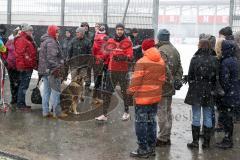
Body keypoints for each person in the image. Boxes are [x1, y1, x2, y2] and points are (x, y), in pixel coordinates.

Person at [128, 39, 165, 158]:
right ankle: (151, 147)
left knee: (141, 123)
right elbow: (162, 79)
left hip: (143, 98)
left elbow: (136, 81)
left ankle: (143, 149)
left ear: (144, 49)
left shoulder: (142, 62)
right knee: (151, 122)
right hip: (154, 97)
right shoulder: (161, 61)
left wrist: (130, 91)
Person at [95, 23, 133, 121]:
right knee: (107, 92)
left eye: (121, 29)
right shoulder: (111, 40)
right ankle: (104, 114)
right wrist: (99, 58)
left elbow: (130, 56)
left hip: (123, 71)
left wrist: (122, 57)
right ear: (115, 30)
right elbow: (105, 53)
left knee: (124, 93)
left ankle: (126, 112)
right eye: (118, 29)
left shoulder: (127, 42)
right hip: (111, 71)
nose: (119, 31)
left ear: (123, 30)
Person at [185, 39, 218, 149]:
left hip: (196, 90)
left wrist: (193, 85)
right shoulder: (214, 59)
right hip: (209, 90)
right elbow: (216, 77)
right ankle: (206, 143)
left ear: (200, 46)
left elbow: (190, 76)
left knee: (196, 116)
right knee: (208, 116)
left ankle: (195, 142)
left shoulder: (195, 59)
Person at [155, 29, 183, 146]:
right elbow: (179, 68)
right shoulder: (175, 50)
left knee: (162, 113)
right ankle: (167, 136)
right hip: (170, 88)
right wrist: (175, 80)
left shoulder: (160, 51)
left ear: (159, 38)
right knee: (167, 112)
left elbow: (159, 70)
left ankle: (162, 138)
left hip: (162, 87)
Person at [39, 25, 67, 118]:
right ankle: (56, 112)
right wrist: (58, 67)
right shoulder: (51, 42)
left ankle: (45, 111)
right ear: (52, 32)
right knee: (56, 92)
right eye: (56, 32)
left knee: (46, 92)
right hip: (52, 71)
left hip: (45, 71)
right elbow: (51, 59)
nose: (58, 34)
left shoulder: (45, 40)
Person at [216, 40, 240, 149]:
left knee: (227, 118)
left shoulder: (226, 62)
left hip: (229, 94)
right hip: (235, 92)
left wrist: (222, 92)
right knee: (229, 117)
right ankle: (228, 138)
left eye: (222, 48)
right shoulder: (235, 60)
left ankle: (227, 140)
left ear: (225, 49)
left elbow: (224, 80)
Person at [14, 23, 37, 111]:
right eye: (30, 30)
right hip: (25, 67)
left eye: (32, 30)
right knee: (23, 86)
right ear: (25, 31)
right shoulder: (22, 39)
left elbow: (29, 53)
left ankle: (22, 103)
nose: (31, 32)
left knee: (24, 86)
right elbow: (19, 54)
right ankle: (20, 104)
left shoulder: (27, 39)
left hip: (28, 66)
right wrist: (21, 66)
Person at [92, 24, 109, 105]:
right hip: (105, 62)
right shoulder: (107, 38)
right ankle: (104, 97)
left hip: (98, 62)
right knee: (105, 80)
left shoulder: (95, 38)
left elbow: (94, 50)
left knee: (98, 80)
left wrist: (97, 58)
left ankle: (95, 97)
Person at [4, 27, 21, 105]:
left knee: (18, 82)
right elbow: (4, 52)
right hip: (10, 65)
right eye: (18, 33)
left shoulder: (21, 42)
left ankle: (17, 99)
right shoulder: (9, 42)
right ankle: (14, 99)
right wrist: (6, 61)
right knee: (12, 82)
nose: (19, 35)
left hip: (18, 66)